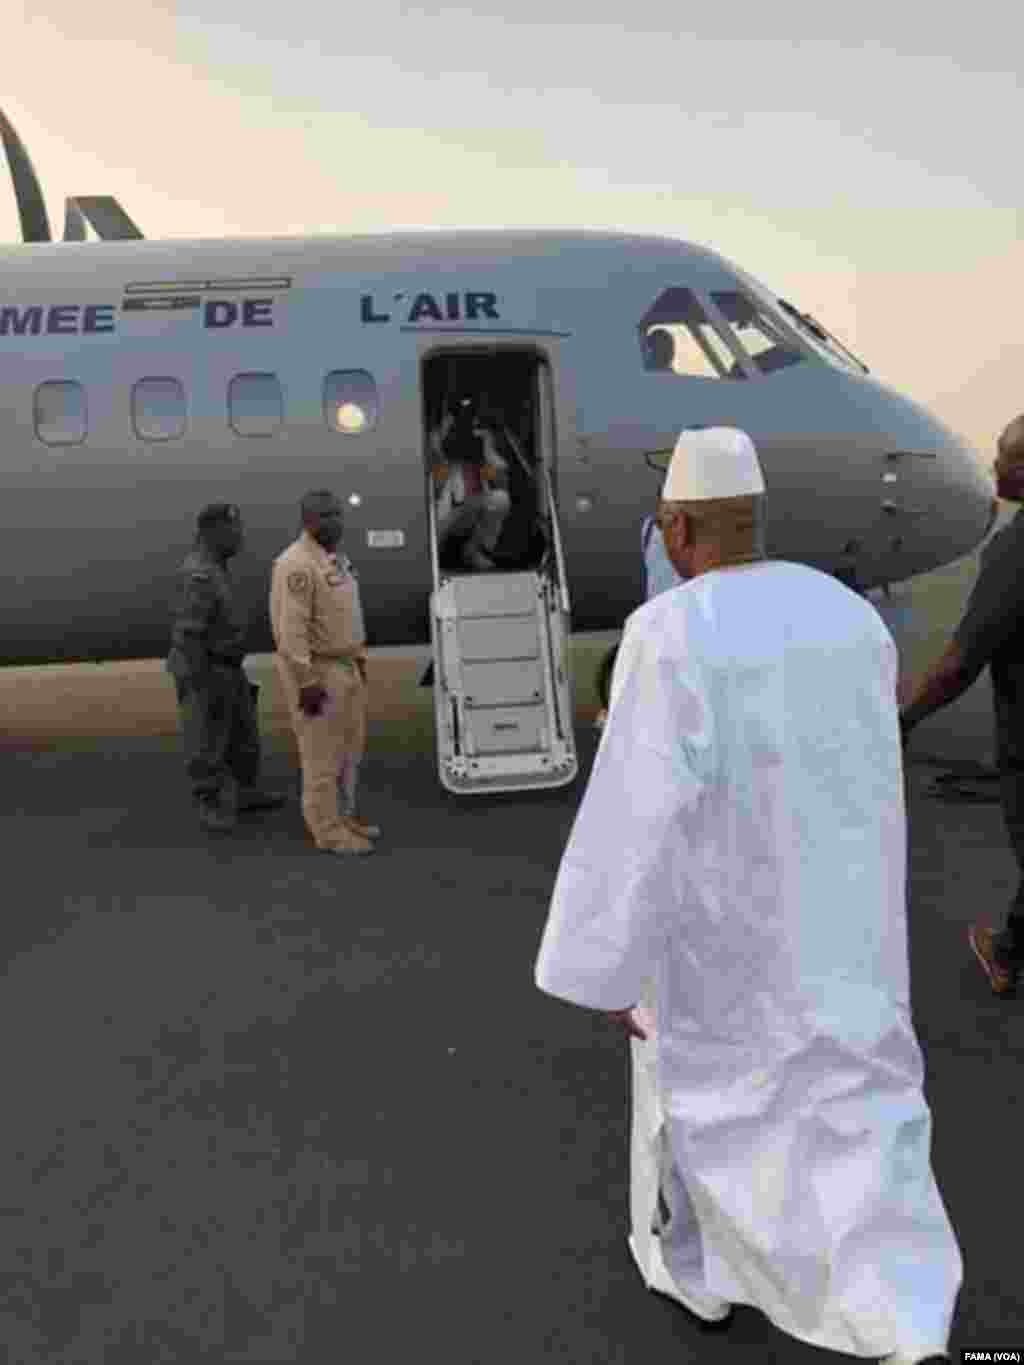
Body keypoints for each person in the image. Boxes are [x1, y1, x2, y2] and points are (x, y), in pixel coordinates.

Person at [535, 426, 961, 1364]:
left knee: (694, 1111)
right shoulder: (851, 618)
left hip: (715, 936)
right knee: (853, 1113)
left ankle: (697, 1277)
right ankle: (897, 1314)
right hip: (838, 926)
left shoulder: (667, 633)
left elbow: (632, 816)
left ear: (678, 529)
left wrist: (610, 964)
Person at [900, 414, 1024, 996]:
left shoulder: (1014, 552)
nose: (994, 464)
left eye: (1002, 455)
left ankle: (1006, 954)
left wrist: (903, 720)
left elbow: (958, 665)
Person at [269, 490, 379, 856]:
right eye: (326, 515)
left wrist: (358, 659)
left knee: (349, 752)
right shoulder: (296, 565)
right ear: (308, 521)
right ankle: (328, 832)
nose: (335, 522)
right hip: (319, 672)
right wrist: (307, 681)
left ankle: (343, 817)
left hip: (346, 667)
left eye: (338, 514)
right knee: (321, 756)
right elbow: (291, 632)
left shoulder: (334, 560)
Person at [166, 503, 286, 833]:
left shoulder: (216, 568)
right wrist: (203, 683)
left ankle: (247, 792)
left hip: (227, 667)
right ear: (212, 533)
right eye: (234, 531)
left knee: (243, 735)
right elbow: (189, 632)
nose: (240, 538)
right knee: (207, 738)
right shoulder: (200, 574)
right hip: (207, 668)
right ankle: (208, 802)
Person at [594, 499, 687, 731]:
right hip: (661, 615)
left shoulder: (656, 531)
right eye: (665, 508)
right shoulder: (650, 530)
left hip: (672, 615)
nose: (668, 514)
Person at [430, 399, 511, 571]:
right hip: (444, 514)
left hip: (470, 508)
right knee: (438, 515)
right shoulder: (439, 458)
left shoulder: (478, 460)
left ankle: (474, 551)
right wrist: (439, 452)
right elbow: (435, 487)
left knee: (500, 499)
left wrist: (488, 447)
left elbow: (501, 479)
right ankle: (432, 558)